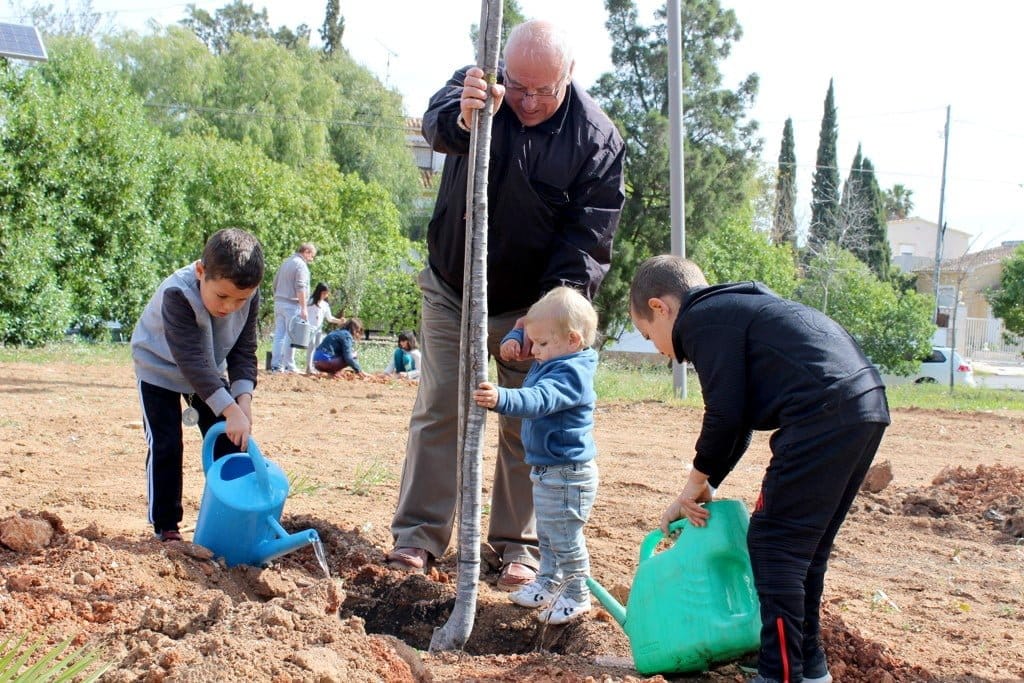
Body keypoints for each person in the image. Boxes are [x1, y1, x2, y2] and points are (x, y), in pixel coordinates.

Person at [387, 18, 625, 590]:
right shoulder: (478, 86)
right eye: (519, 86)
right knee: (442, 403)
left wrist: (542, 319)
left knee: (528, 418)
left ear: (570, 75)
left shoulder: (596, 140)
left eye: (545, 90)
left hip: (531, 306)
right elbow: (437, 121)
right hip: (452, 287)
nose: (529, 101)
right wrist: (466, 114)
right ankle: (418, 538)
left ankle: (517, 545)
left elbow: (587, 244)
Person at [628, 255, 891, 683]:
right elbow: (742, 422)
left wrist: (693, 482)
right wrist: (705, 483)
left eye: (648, 334)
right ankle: (808, 670)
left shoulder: (700, 321)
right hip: (863, 404)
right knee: (803, 553)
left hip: (822, 411)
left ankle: (778, 673)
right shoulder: (734, 309)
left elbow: (725, 414)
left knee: (773, 546)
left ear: (661, 307)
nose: (659, 350)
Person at [473, 287, 599, 625]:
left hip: (568, 474)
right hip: (549, 470)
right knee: (546, 534)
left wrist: (502, 398)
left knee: (565, 538)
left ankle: (576, 594)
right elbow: (529, 326)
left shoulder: (571, 373)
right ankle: (547, 582)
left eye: (542, 344)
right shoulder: (556, 357)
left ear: (572, 339)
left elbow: (539, 399)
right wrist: (516, 335)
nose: (535, 351)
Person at [131, 228, 265, 542]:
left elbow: (245, 349)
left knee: (231, 443)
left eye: (240, 299)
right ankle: (166, 527)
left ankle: (233, 520)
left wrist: (242, 401)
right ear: (201, 272)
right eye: (221, 296)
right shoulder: (177, 294)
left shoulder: (248, 293)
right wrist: (229, 407)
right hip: (159, 368)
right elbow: (191, 360)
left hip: (208, 368)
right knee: (167, 444)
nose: (230, 307)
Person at [271, 242, 316, 373]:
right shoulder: (301, 265)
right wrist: (304, 308)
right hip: (292, 304)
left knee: (279, 334)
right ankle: (289, 365)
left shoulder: (286, 262)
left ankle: (276, 365)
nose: (311, 259)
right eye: (312, 256)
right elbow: (300, 287)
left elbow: (275, 282)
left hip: (279, 302)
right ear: (306, 252)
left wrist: (279, 296)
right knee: (291, 335)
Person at [305, 282, 343, 375]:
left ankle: (316, 367)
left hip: (318, 329)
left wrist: (339, 321)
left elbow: (330, 318)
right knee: (311, 346)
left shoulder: (325, 305)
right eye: (324, 293)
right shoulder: (310, 301)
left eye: (326, 293)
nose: (325, 295)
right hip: (310, 328)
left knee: (318, 347)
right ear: (319, 292)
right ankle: (308, 367)